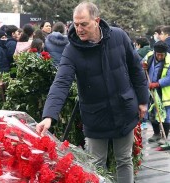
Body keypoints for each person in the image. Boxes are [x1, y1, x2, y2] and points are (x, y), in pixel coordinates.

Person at [36, 2, 148, 183]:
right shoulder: (71, 50)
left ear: (96, 21)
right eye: (76, 24)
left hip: (124, 109)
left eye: (84, 24)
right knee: (96, 165)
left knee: (124, 160)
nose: (79, 29)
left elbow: (136, 68)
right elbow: (61, 82)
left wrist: (143, 100)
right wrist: (49, 115)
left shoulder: (118, 36)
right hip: (95, 116)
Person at [142, 41, 170, 145]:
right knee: (152, 113)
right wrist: (142, 66)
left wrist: (157, 84)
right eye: (157, 54)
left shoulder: (169, 60)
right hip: (150, 90)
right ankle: (156, 133)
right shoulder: (149, 55)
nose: (159, 56)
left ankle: (164, 136)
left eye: (161, 55)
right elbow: (141, 65)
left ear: (165, 53)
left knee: (165, 115)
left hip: (164, 92)